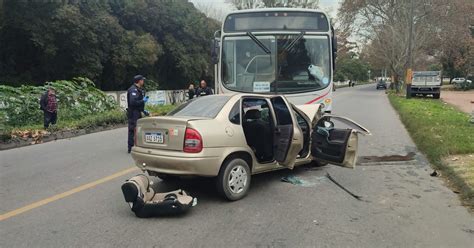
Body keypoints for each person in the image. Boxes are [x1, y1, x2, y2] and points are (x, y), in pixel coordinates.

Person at [127, 75, 150, 153]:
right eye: (142, 80)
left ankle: (137, 145)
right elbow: (132, 102)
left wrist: (143, 110)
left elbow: (138, 103)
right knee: (132, 129)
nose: (143, 82)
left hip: (137, 112)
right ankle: (131, 147)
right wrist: (142, 101)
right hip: (133, 113)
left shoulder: (139, 89)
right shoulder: (133, 90)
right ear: (139, 81)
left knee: (138, 129)